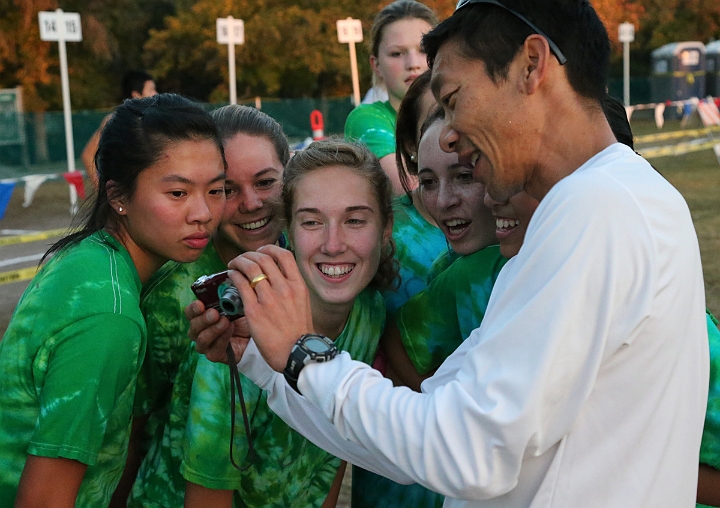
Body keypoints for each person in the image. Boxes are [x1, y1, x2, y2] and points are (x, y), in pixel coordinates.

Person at [191, 1, 708, 506]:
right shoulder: (607, 200)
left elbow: (468, 453)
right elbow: (424, 427)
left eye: (455, 99)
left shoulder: (596, 206)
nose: (453, 135)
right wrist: (262, 358)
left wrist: (303, 354)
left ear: (532, 65)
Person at [0, 93, 226, 507]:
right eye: (178, 193)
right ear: (118, 195)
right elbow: (45, 498)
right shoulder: (110, 315)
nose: (204, 212)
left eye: (216, 189)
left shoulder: (85, 258)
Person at [181, 139, 397, 508]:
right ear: (289, 232)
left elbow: (335, 453)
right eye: (312, 222)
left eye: (355, 220)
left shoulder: (369, 311)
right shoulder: (240, 336)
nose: (332, 244)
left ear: (386, 228)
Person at [123, 104, 290, 508]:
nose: (252, 203)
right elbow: (133, 428)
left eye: (266, 182)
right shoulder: (173, 297)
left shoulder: (313, 270)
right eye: (228, 190)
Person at [344, 0, 437, 195]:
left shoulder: (463, 113)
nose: (413, 64)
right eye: (397, 53)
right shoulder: (366, 119)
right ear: (376, 64)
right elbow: (413, 191)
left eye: (423, 50)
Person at [82, 70, 157, 189]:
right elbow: (88, 155)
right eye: (151, 90)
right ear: (136, 94)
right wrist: (103, 192)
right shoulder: (115, 121)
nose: (156, 94)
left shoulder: (156, 121)